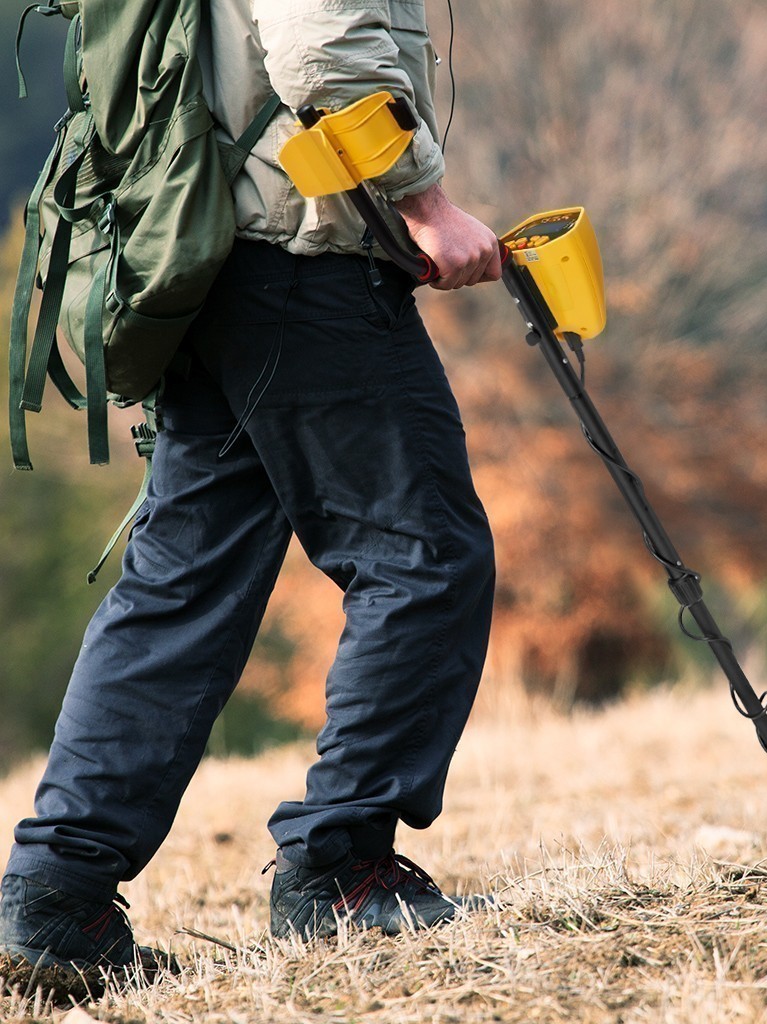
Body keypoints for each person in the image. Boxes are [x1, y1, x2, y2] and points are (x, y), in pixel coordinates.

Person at [0, 0, 501, 988]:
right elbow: (324, 44)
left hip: (210, 255)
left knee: (181, 585)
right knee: (423, 553)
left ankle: (55, 895)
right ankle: (339, 868)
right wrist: (425, 201)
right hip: (298, 252)